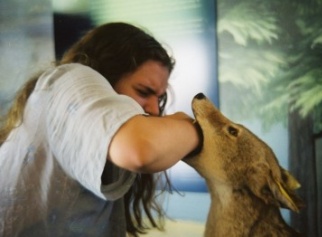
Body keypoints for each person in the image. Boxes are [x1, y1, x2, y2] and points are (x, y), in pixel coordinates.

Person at [0, 22, 201, 237]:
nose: (154, 109)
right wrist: (197, 127)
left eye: (159, 99)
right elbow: (140, 149)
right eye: (143, 91)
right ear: (105, 75)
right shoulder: (72, 78)